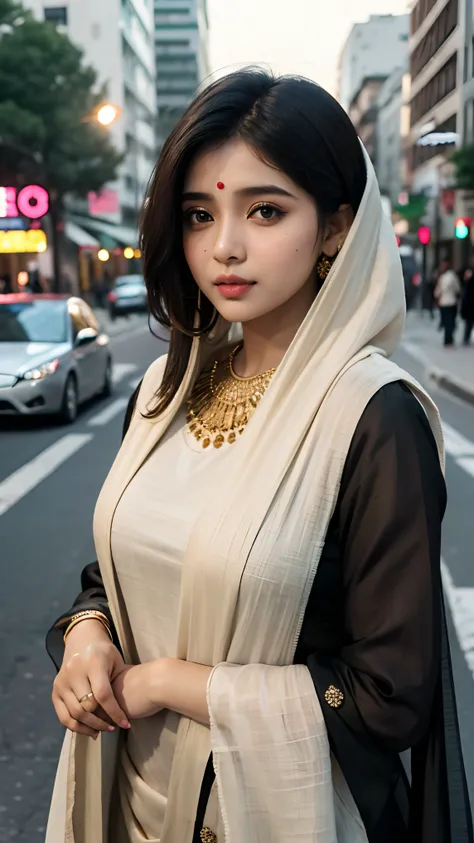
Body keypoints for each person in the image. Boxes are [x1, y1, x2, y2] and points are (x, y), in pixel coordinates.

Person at [45, 70, 472, 843]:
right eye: (199, 214)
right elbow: (116, 570)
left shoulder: (373, 416)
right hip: (130, 801)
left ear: (337, 226)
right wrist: (87, 633)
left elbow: (389, 695)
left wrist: (168, 683)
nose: (224, 247)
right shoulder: (166, 387)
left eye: (265, 210)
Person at [434, 259, 461, 346]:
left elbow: (438, 291)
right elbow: (457, 289)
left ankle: (448, 339)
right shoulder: (449, 276)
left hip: (446, 302)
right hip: (449, 302)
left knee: (447, 322)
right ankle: (448, 339)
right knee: (449, 322)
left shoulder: (446, 276)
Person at [461, 265, 474, 345]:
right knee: (468, 324)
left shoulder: (471, 283)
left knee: (469, 324)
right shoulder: (465, 282)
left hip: (471, 307)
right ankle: (466, 338)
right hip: (468, 308)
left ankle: (466, 338)